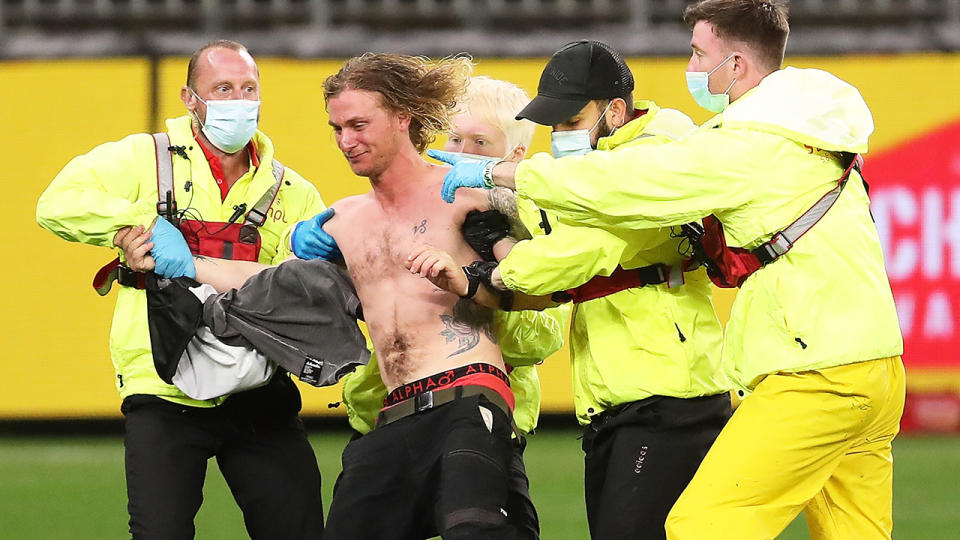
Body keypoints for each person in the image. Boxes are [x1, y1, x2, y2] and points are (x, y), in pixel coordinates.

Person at [436, 1, 906, 539]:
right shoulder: (807, 131)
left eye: (698, 53)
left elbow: (624, 188)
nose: (690, 67)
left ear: (736, 64)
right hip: (875, 363)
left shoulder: (745, 146)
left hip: (816, 367)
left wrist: (501, 177)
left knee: (702, 526)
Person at [423, 41, 731, 540]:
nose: (560, 135)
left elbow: (573, 255)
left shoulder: (653, 161)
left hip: (668, 394)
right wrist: (503, 210)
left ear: (614, 110)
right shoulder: (597, 169)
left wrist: (495, 259)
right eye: (554, 126)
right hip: (617, 397)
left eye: (570, 122)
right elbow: (559, 229)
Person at [36, 40, 326, 540]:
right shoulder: (141, 158)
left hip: (258, 385)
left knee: (296, 528)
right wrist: (139, 221)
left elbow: (307, 292)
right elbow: (56, 204)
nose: (239, 101)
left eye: (248, 88)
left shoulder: (291, 189)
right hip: (161, 383)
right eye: (223, 88)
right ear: (190, 98)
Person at [297, 53, 561, 540]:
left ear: (403, 117)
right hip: (390, 412)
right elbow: (270, 291)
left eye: (358, 125)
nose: (346, 141)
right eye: (337, 129)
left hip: (468, 395)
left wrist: (467, 276)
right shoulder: (342, 221)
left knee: (475, 530)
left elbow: (541, 289)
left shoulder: (472, 200)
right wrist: (180, 264)